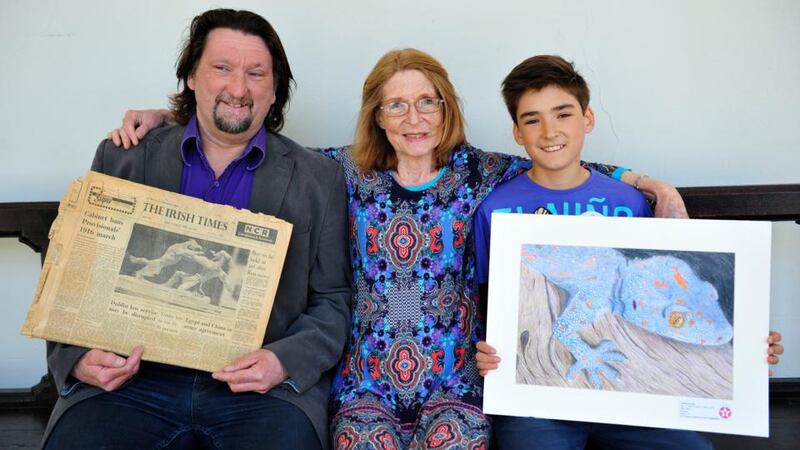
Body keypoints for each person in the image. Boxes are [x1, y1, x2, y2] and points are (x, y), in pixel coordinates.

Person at [113, 48, 697, 448]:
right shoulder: (339, 171)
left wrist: (647, 182)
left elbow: (561, 161)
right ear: (377, 115)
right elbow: (247, 144)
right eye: (396, 104)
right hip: (365, 381)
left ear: (446, 108)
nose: (413, 118)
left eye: (427, 102)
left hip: (456, 381)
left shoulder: (481, 173)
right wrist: (172, 119)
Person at [44, 9, 351, 450]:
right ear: (191, 76)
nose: (238, 89)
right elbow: (74, 277)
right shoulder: (124, 157)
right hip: (132, 382)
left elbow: (333, 300)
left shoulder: (319, 178)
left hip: (259, 392)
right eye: (221, 68)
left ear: (274, 90)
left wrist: (282, 361)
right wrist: (75, 358)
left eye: (256, 74)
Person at [474, 55, 784, 449]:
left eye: (563, 114)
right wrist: (486, 349)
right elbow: (491, 304)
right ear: (518, 133)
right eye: (533, 119)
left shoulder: (628, 201)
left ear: (588, 118)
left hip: (630, 403)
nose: (550, 131)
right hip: (538, 400)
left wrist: (750, 345)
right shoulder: (496, 209)